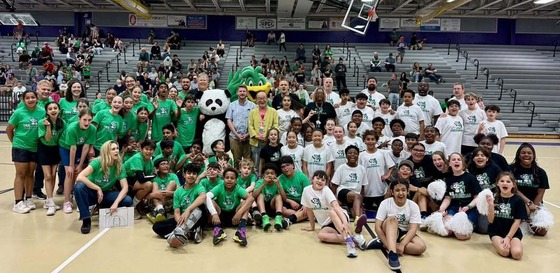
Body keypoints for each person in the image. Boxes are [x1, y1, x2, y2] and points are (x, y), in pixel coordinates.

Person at [301, 170, 366, 258]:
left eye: (323, 180)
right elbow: (309, 210)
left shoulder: (326, 190)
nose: (320, 181)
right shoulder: (306, 190)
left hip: (338, 216)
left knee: (332, 212)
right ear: (312, 179)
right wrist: (312, 227)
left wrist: (345, 223)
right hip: (326, 223)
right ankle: (354, 238)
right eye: (318, 178)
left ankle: (350, 244)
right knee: (321, 236)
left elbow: (336, 206)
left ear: (325, 183)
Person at [73, 141, 133, 234]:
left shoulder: (119, 165)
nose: (117, 151)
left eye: (117, 148)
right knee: (79, 187)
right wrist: (98, 188)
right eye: (113, 149)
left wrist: (116, 203)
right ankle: (86, 219)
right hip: (92, 192)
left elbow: (125, 187)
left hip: (106, 193)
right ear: (106, 152)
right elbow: (80, 177)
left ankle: (103, 206)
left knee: (128, 200)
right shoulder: (97, 162)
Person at [368, 180, 427, 270]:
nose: (400, 193)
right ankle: (392, 254)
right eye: (397, 190)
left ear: (407, 191)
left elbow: (413, 229)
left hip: (404, 233)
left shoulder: (413, 206)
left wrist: (402, 244)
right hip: (388, 229)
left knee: (421, 247)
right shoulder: (385, 203)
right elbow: (377, 227)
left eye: (403, 190)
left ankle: (381, 243)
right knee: (392, 219)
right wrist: (389, 245)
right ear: (392, 192)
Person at [7, 90, 47, 214]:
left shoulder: (42, 112)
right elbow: (9, 130)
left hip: (35, 147)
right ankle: (18, 202)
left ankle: (29, 198)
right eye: (28, 98)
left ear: (37, 99)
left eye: (33, 97)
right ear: (24, 100)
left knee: (30, 173)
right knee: (21, 174)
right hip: (21, 146)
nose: (30, 100)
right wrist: (15, 143)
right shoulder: (19, 113)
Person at [152, 163, 207, 246]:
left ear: (196, 175)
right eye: (189, 173)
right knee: (157, 226)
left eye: (194, 174)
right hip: (183, 218)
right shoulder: (178, 192)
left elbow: (203, 197)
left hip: (197, 217)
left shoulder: (199, 187)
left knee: (201, 207)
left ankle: (180, 233)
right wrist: (180, 222)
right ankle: (189, 232)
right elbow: (177, 212)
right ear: (184, 175)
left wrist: (188, 210)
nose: (191, 176)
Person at [59, 110, 97, 213]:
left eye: (89, 120)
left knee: (79, 172)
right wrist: (71, 165)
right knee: (69, 173)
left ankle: (78, 200)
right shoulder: (72, 128)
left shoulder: (92, 129)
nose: (87, 123)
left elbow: (86, 147)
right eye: (84, 120)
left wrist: (80, 165)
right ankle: (67, 201)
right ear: (79, 119)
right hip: (66, 148)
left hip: (80, 147)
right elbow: (72, 148)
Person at [509, 143, 550, 236]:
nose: (526, 155)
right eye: (523, 153)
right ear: (518, 155)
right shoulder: (511, 169)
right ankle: (521, 220)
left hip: (534, 204)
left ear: (533, 155)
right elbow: (513, 189)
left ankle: (528, 221)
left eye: (529, 153)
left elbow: (540, 193)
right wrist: (528, 203)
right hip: (515, 202)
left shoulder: (540, 172)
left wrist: (534, 208)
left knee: (542, 231)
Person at [438, 153, 482, 240]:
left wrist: (468, 207)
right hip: (453, 208)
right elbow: (448, 197)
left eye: (459, 159)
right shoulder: (448, 179)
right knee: (446, 232)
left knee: (461, 235)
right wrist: (441, 209)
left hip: (469, 209)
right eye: (453, 160)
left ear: (462, 163)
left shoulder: (470, 178)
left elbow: (477, 197)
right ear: (449, 164)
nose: (456, 161)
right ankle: (454, 225)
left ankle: (462, 227)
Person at [206, 168, 254, 246]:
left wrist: (239, 213)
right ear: (223, 179)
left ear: (236, 180)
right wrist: (214, 213)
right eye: (227, 177)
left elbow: (251, 199)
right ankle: (218, 230)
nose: (229, 180)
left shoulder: (238, 188)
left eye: (232, 178)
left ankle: (241, 231)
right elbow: (207, 196)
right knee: (211, 201)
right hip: (220, 217)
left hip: (235, 218)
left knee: (246, 202)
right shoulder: (219, 187)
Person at [487, 172, 527, 260]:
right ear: (497, 183)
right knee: (505, 252)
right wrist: (490, 205)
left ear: (513, 185)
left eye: (508, 181)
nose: (505, 183)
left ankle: (511, 242)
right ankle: (495, 242)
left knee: (517, 254)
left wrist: (508, 238)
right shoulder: (493, 198)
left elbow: (517, 221)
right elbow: (490, 220)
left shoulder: (518, 200)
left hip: (512, 233)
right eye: (502, 181)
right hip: (496, 231)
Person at [38, 102, 65, 216]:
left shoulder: (62, 123)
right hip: (44, 149)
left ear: (59, 110)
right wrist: (48, 126)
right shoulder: (42, 122)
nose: (53, 110)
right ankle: (50, 203)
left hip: (55, 150)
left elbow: (62, 138)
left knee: (53, 175)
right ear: (47, 111)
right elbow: (48, 139)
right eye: (50, 109)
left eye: (55, 108)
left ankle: (50, 200)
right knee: (48, 176)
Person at [331, 145, 369, 224]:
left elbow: (362, 187)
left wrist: (361, 203)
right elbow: (334, 185)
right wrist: (334, 200)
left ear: (358, 156)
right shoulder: (341, 168)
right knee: (357, 197)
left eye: (355, 153)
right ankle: (358, 219)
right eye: (350, 153)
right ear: (346, 155)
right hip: (343, 192)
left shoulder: (362, 169)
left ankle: (357, 224)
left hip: (356, 198)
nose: (352, 155)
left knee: (361, 215)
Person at [248, 91, 279, 174]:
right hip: (256, 142)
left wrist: (268, 136)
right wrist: (255, 136)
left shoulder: (273, 111)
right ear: (256, 100)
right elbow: (250, 125)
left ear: (267, 99)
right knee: (256, 162)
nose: (262, 100)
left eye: (264, 98)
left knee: (268, 161)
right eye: (259, 98)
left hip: (268, 142)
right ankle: (257, 178)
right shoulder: (252, 112)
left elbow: (275, 125)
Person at [253, 163, 288, 231]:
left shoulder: (277, 182)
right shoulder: (260, 182)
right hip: (262, 207)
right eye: (267, 173)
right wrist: (264, 184)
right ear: (263, 175)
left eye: (272, 173)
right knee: (260, 195)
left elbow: (284, 198)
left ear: (275, 175)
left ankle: (278, 217)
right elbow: (254, 196)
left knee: (278, 196)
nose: (269, 175)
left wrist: (278, 185)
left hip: (273, 206)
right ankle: (264, 217)